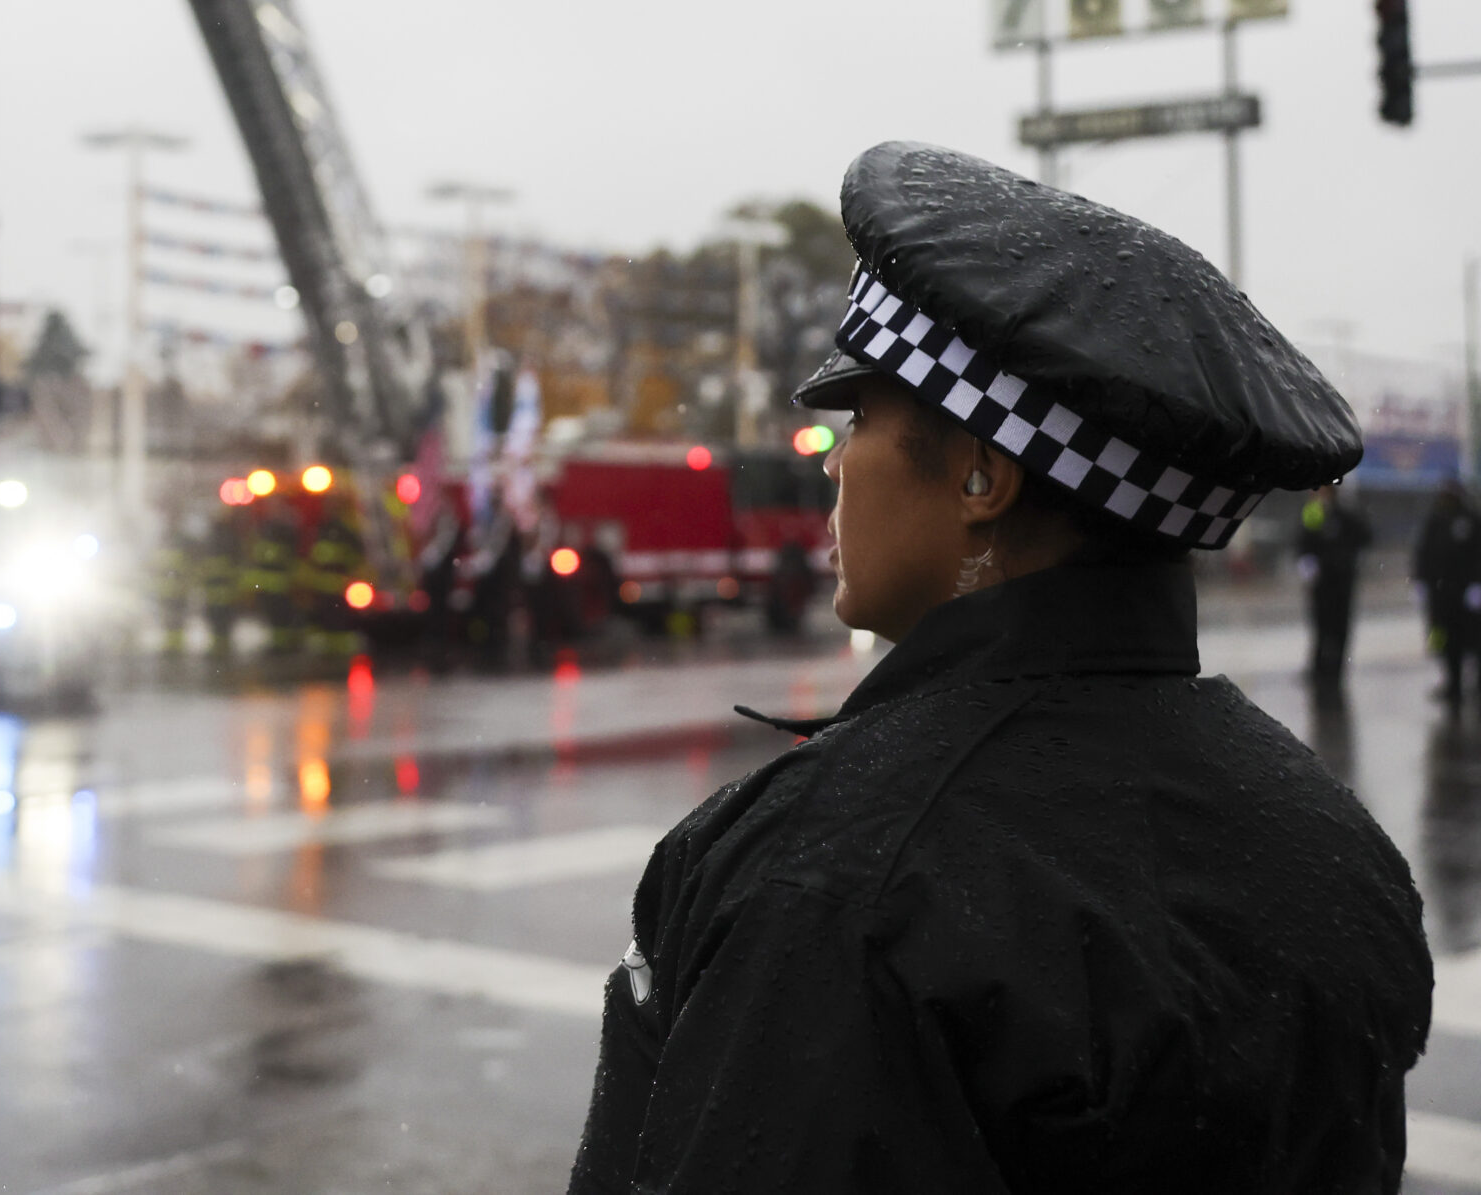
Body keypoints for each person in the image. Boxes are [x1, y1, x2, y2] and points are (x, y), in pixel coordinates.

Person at [568, 141, 1430, 1195]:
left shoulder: (832, 878)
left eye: (861, 419)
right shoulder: (1330, 842)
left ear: (981, 474)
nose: (837, 463)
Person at [1297, 481, 1375, 694]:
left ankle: (1336, 672)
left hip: (1342, 581)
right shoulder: (1314, 512)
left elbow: (1365, 536)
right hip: (1322, 582)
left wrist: (1349, 558)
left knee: (1340, 627)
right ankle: (1319, 669)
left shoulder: (1346, 514)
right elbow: (1305, 538)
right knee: (1321, 626)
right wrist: (1306, 560)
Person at [1417, 478, 1481, 704]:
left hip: (1466, 594)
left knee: (1472, 640)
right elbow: (1423, 552)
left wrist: (1476, 583)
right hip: (1441, 594)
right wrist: (1421, 581)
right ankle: (1452, 683)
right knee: (1442, 639)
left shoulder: (1471, 519)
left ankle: (1474, 683)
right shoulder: (1436, 519)